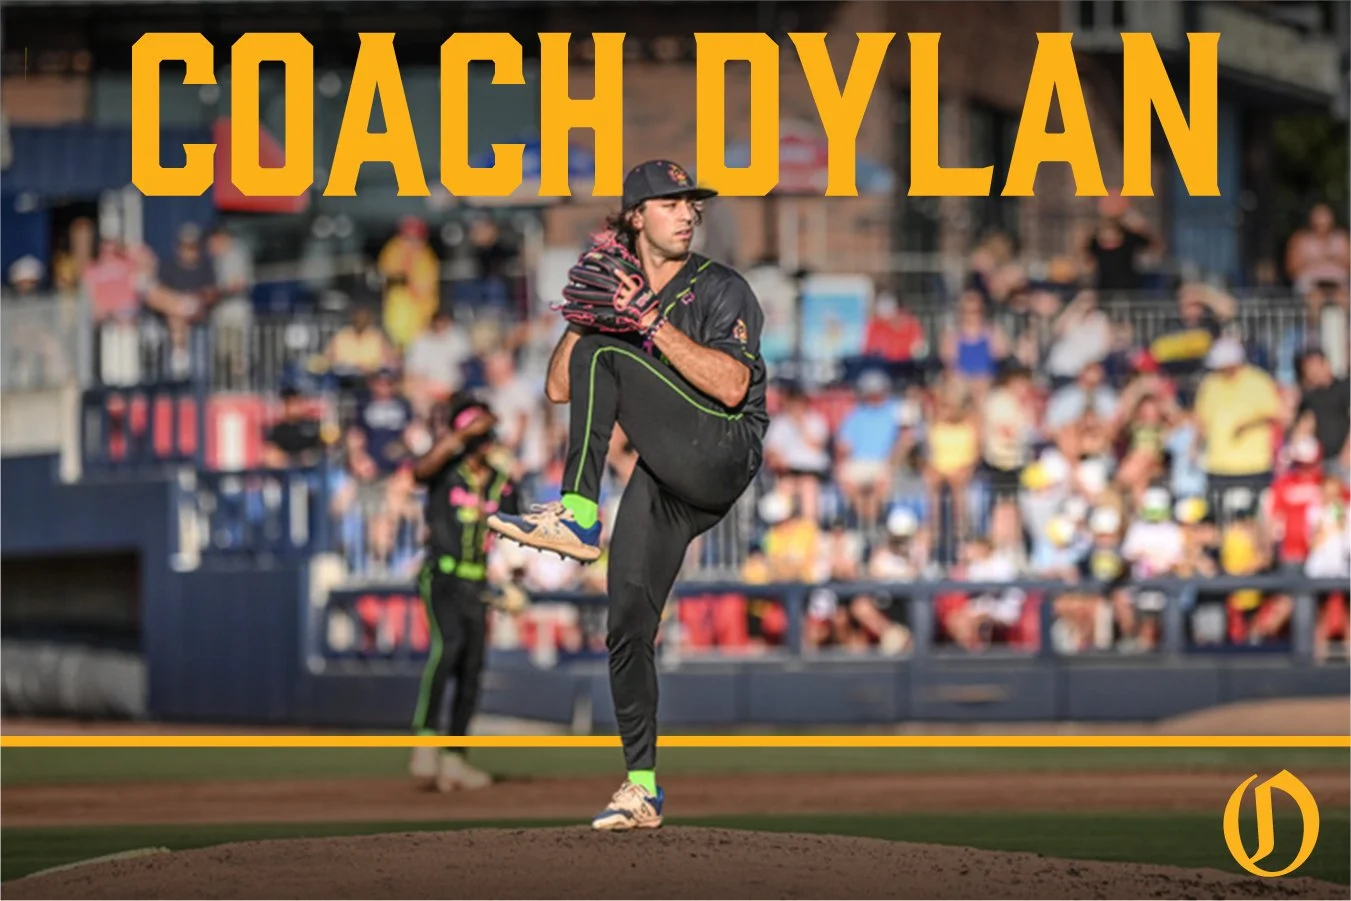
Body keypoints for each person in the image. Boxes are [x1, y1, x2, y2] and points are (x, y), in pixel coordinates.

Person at [487, 160, 767, 831]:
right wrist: (586, 314)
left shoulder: (721, 286)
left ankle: (579, 514)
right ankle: (640, 786)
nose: (687, 214)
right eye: (669, 203)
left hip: (724, 446)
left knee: (607, 357)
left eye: (690, 204)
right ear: (635, 216)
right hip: (669, 476)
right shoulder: (621, 287)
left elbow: (730, 387)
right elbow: (558, 387)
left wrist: (644, 323)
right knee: (625, 624)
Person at [407, 393, 520, 792]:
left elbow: (514, 535)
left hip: (478, 582)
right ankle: (424, 740)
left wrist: (513, 581)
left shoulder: (502, 482)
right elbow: (420, 472)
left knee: (472, 669)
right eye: (478, 435)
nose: (483, 443)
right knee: (448, 648)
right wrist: (459, 436)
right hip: (442, 576)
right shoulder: (447, 471)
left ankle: (455, 757)